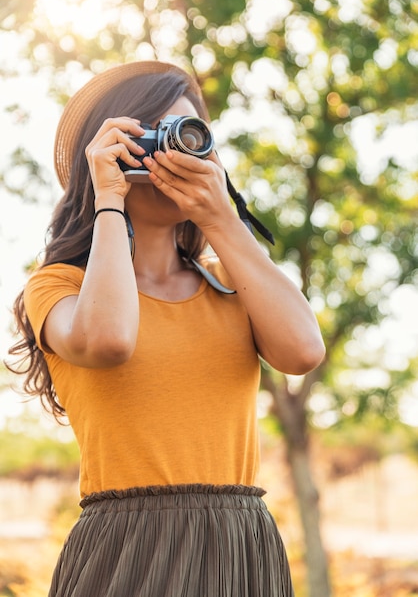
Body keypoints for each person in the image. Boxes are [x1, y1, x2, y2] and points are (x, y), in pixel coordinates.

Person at [7, 60, 325, 597]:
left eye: (185, 139)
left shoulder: (232, 285)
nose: (169, 159)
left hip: (239, 548)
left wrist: (222, 217)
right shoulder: (58, 287)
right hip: (127, 548)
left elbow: (302, 352)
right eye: (147, 139)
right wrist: (109, 197)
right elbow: (107, 340)